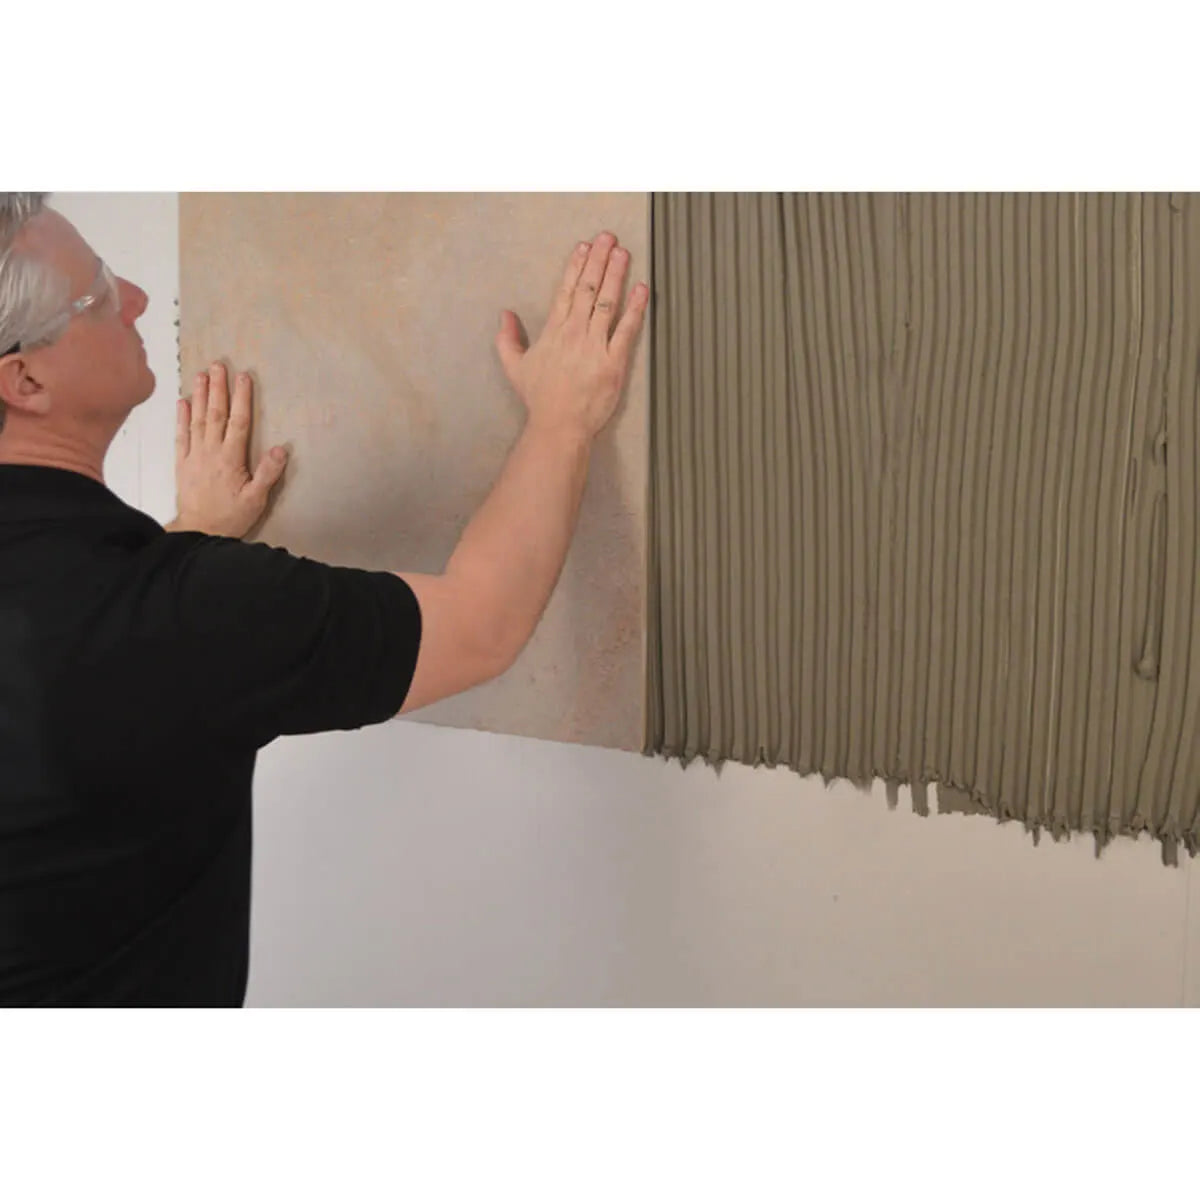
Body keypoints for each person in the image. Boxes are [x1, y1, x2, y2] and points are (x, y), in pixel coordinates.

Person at [0, 193, 648, 1006]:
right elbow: (482, 624)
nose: (134, 296)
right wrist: (562, 418)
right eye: (97, 293)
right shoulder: (189, 618)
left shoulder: (154, 613)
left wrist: (187, 542)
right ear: (24, 379)